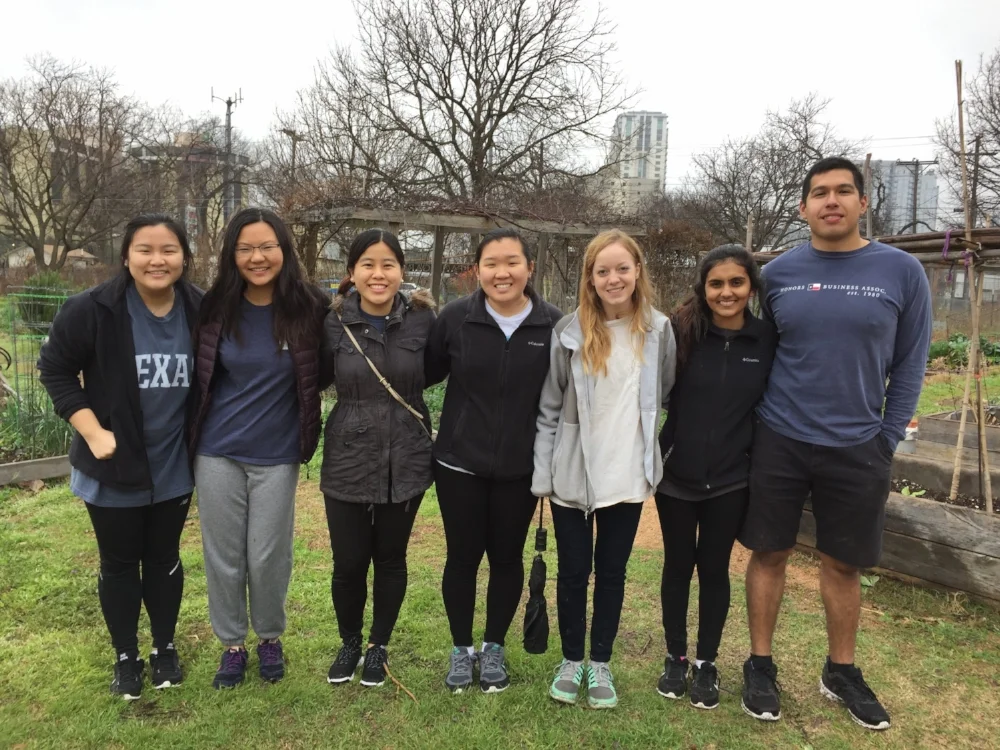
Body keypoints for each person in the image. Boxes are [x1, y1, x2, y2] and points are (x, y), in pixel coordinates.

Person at [739, 157, 932, 731]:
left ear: (862, 203)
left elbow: (911, 362)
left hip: (857, 444)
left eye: (843, 191)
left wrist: (887, 437)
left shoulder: (901, 272)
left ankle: (841, 671)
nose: (832, 201)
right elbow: (761, 355)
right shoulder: (778, 274)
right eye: (819, 193)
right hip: (781, 437)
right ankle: (760, 664)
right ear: (802, 208)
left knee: (843, 563)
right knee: (768, 553)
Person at [38, 214, 202, 699]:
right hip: (111, 467)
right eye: (145, 249)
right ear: (127, 256)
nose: (158, 260)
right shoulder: (92, 309)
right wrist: (91, 432)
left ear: (185, 258)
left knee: (164, 559)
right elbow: (56, 371)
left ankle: (164, 648)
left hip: (173, 466)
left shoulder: (199, 307)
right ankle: (126, 656)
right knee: (119, 564)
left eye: (169, 250)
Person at [533, 229, 676, 709]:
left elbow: (666, 392)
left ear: (638, 272)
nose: (613, 278)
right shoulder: (569, 333)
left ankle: (600, 663)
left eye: (622, 268)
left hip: (627, 476)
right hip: (573, 473)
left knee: (611, 572)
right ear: (589, 279)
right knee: (573, 571)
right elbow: (550, 406)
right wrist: (543, 473)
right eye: (602, 271)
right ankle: (572, 660)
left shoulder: (658, 330)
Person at [191, 208, 331, 689]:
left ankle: (269, 636)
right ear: (232, 255)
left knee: (268, 554)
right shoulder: (213, 308)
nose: (257, 257)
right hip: (217, 451)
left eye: (267, 246)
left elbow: (324, 368)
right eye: (245, 248)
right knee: (224, 555)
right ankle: (232, 644)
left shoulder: (311, 307)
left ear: (284, 249)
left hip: (277, 454)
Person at [425, 227, 563, 694]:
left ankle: (494, 646)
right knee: (462, 558)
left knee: (507, 559)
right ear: (477, 270)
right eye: (491, 263)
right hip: (458, 464)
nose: (501, 272)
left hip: (520, 470)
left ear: (530, 267)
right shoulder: (455, 319)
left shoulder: (554, 326)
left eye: (511, 262)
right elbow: (421, 373)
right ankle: (462, 650)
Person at [653, 244, 776, 711]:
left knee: (714, 569)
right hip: (676, 477)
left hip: (731, 478)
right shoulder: (680, 332)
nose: (727, 292)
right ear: (703, 289)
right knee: (678, 566)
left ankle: (706, 662)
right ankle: (675, 657)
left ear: (751, 287)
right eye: (716, 284)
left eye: (737, 283)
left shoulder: (766, 339)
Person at [322, 229, 436, 688]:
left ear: (402, 271)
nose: (378, 273)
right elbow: (307, 375)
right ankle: (349, 641)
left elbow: (443, 367)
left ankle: (378, 645)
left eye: (388, 264)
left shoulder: (424, 321)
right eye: (368, 264)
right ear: (352, 272)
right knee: (349, 562)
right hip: (348, 455)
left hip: (406, 455)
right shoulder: (331, 322)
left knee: (390, 558)